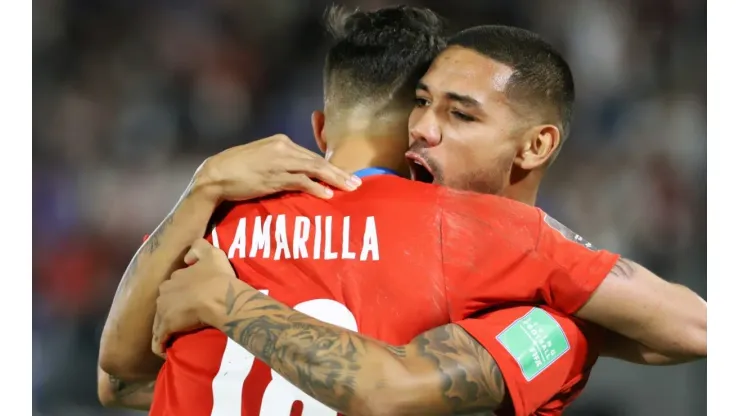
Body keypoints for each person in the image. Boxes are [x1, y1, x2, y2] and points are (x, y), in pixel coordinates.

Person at [98, 7, 706, 416]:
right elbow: (698, 328)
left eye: (458, 114)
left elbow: (119, 379)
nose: (425, 127)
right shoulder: (483, 238)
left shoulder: (214, 225)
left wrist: (205, 205)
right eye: (422, 105)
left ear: (318, 129)